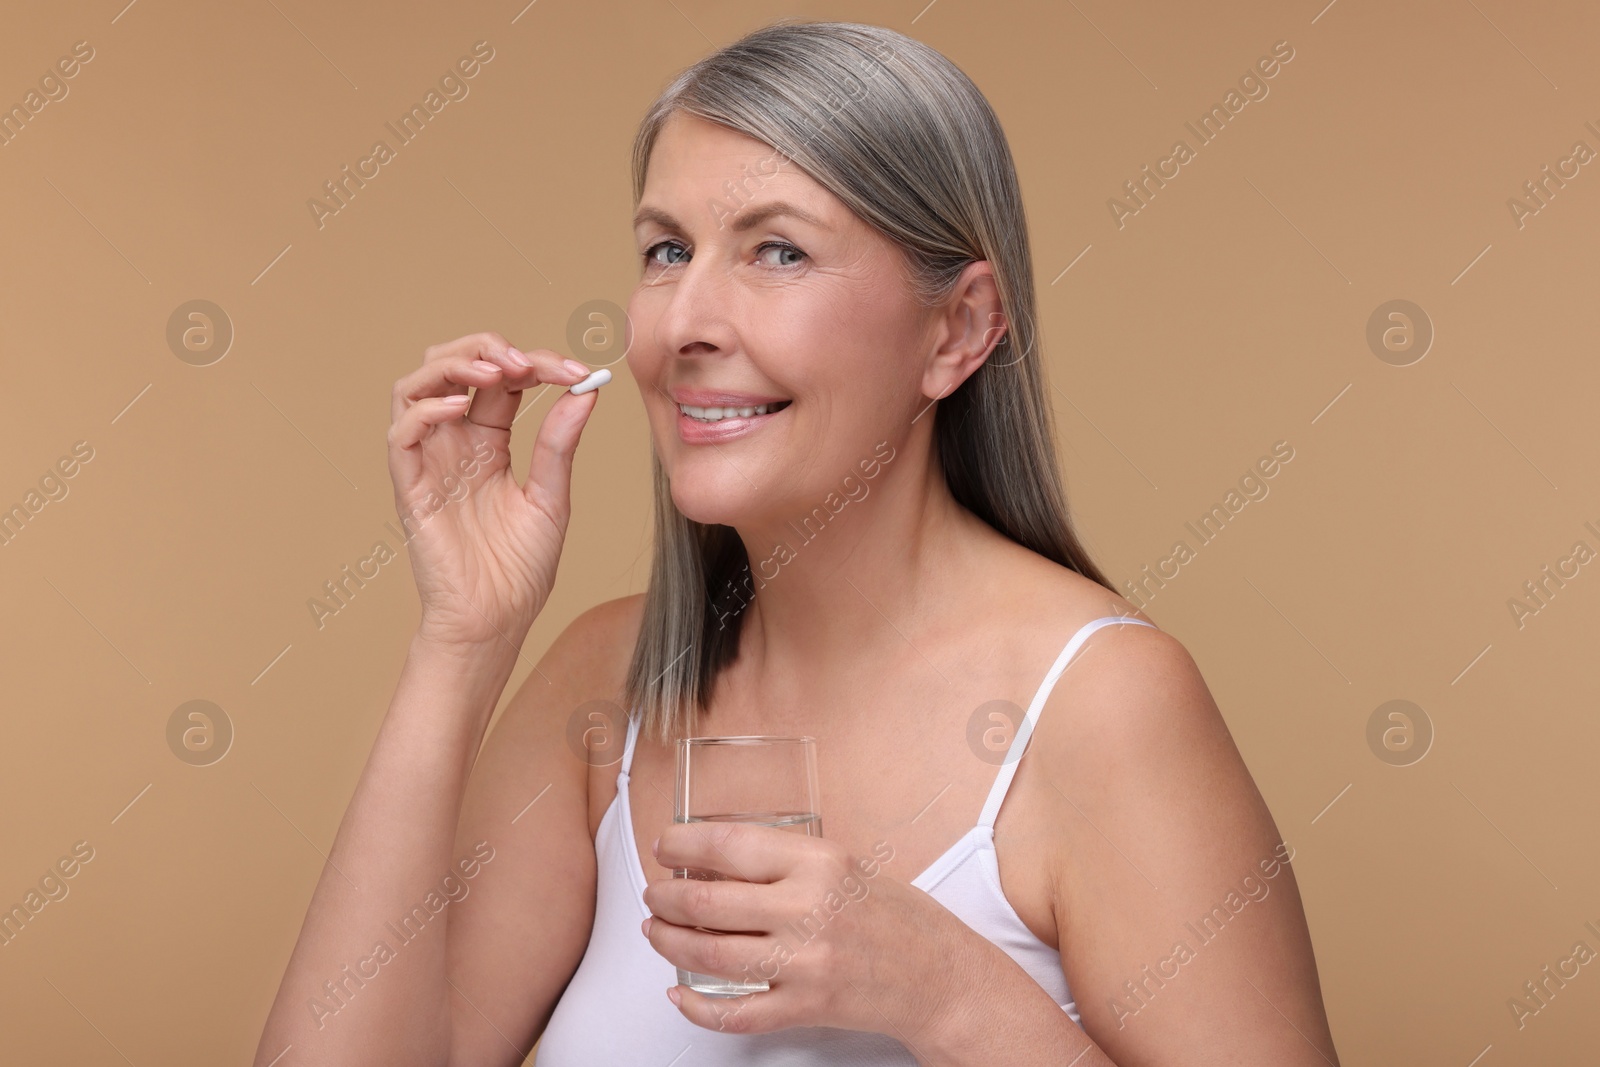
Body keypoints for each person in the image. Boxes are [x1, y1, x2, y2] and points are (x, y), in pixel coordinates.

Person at [255, 19, 1339, 1067]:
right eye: (666, 250)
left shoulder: (1104, 702)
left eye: (777, 250)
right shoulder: (603, 689)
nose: (686, 321)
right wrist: (463, 641)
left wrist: (946, 993)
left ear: (956, 329)